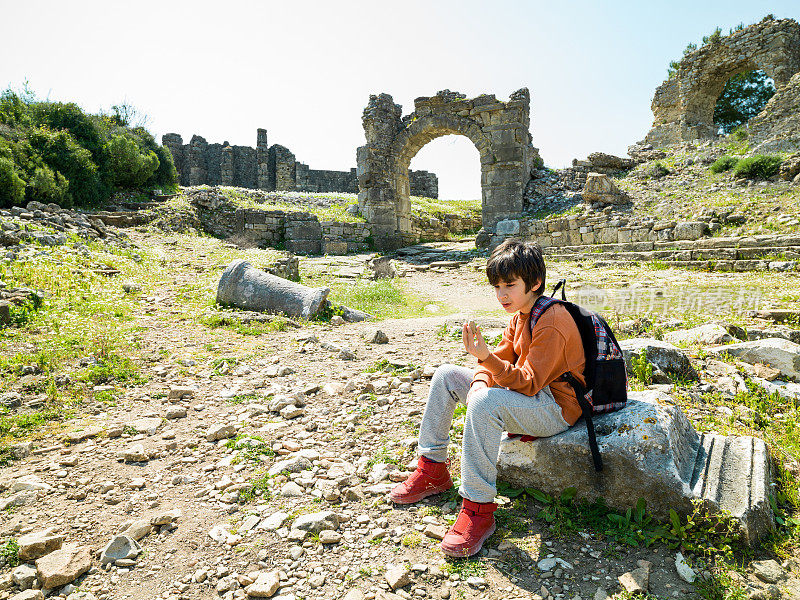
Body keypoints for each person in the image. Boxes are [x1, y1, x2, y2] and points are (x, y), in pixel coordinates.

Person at [389, 238, 587, 557]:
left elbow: (527, 382)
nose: (501, 295)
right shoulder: (521, 315)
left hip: (555, 408)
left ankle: (479, 509)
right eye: (496, 287)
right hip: (530, 396)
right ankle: (432, 469)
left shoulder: (552, 320)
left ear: (535, 283)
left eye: (510, 284)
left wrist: (486, 366)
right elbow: (497, 358)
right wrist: (482, 378)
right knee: (447, 375)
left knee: (483, 403)